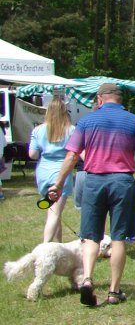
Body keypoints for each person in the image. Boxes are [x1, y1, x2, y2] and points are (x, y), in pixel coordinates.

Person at [47, 82, 135, 307]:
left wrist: (58, 184)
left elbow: (72, 156)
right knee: (119, 239)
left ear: (100, 99)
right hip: (122, 183)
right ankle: (114, 291)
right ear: (119, 99)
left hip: (94, 182)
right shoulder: (133, 121)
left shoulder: (86, 121)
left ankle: (87, 279)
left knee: (91, 237)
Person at [29, 98, 75, 242]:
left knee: (54, 211)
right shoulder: (71, 130)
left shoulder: (38, 130)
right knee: (54, 214)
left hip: (43, 172)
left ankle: (58, 246)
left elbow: (32, 154)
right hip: (61, 173)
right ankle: (45, 248)